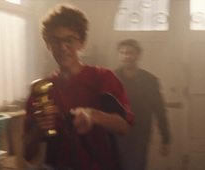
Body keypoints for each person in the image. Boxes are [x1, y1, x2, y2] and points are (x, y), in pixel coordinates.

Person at [22, 4, 134, 170]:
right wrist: (39, 128)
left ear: (82, 43)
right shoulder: (41, 91)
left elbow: (124, 127)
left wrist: (93, 115)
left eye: (70, 40)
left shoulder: (104, 79)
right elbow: (27, 155)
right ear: (48, 44)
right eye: (56, 41)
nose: (63, 47)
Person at [114, 39, 171, 170]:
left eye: (130, 53)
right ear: (119, 55)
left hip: (139, 137)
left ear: (138, 55)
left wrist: (166, 138)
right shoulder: (111, 78)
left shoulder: (149, 81)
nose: (126, 56)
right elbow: (102, 107)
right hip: (116, 137)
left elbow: (160, 110)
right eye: (123, 53)